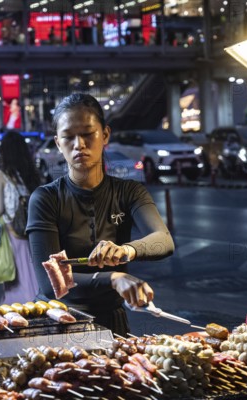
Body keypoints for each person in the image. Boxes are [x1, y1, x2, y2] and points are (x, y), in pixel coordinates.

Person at [26, 93, 175, 336]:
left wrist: (126, 250)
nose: (79, 144)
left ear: (105, 135)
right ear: (57, 143)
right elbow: (52, 282)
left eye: (87, 134)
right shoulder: (45, 199)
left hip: (111, 322)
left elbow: (164, 240)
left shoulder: (129, 191)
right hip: (58, 323)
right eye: (68, 137)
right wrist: (113, 277)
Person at [0, 131, 41, 304]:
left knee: (15, 275)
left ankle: (18, 306)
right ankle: (36, 303)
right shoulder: (30, 174)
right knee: (31, 272)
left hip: (11, 231)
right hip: (31, 230)